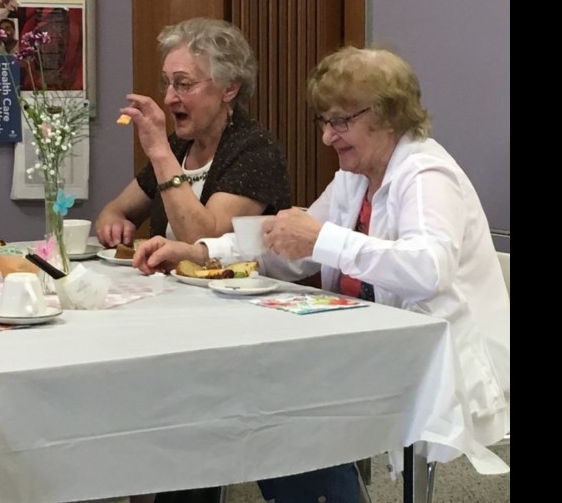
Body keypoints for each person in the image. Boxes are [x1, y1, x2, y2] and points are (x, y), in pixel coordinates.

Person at [135, 46, 510, 503]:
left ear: (388, 115)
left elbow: (428, 269)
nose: (328, 137)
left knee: (281, 401)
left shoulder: (426, 174)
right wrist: (199, 251)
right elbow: (287, 250)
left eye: (340, 121)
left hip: (433, 361)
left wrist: (323, 240)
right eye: (325, 122)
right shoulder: (355, 175)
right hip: (365, 346)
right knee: (248, 389)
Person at [95, 18, 291, 248]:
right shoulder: (180, 146)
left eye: (183, 84)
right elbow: (116, 210)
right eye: (166, 83)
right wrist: (113, 222)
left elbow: (203, 242)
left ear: (229, 88)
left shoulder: (257, 151)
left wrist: (160, 153)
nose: (168, 99)